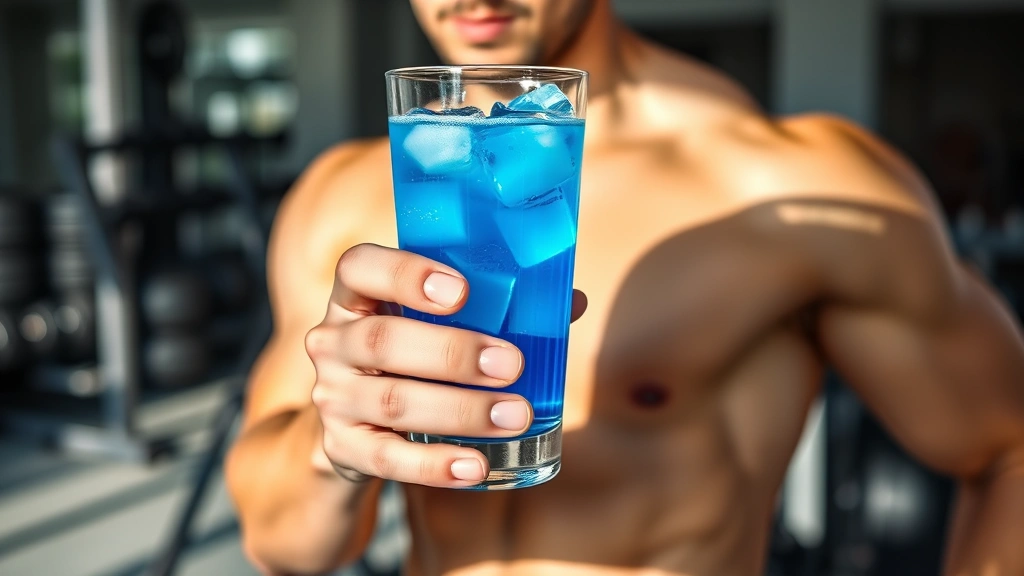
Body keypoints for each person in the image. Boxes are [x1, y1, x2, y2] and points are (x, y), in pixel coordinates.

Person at [225, 1, 1024, 574]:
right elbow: (278, 546)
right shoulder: (341, 192)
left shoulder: (791, 184)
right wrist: (334, 453)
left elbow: (1010, 450)